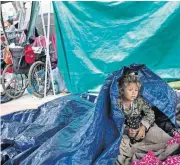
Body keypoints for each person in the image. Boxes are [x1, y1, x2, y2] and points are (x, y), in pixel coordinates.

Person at [115, 73, 179, 165]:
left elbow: (150, 114)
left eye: (136, 90)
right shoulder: (117, 104)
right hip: (123, 133)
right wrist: (127, 130)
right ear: (122, 90)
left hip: (142, 128)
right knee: (121, 151)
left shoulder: (139, 101)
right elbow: (113, 121)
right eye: (130, 90)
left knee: (166, 140)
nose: (134, 93)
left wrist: (143, 127)